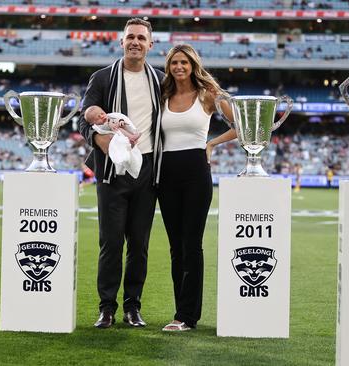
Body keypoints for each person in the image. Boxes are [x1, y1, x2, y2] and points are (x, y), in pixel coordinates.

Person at [78, 18, 164, 329]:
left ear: (150, 44)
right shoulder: (102, 78)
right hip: (112, 171)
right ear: (121, 42)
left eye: (142, 38)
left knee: (139, 244)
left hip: (148, 170)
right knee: (111, 243)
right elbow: (82, 120)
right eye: (130, 37)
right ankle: (106, 308)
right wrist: (97, 138)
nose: (135, 42)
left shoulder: (161, 81)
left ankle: (133, 307)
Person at [158, 44, 237, 332]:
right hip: (165, 173)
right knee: (175, 248)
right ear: (169, 67)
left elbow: (240, 125)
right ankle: (181, 311)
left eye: (184, 62)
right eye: (174, 62)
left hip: (195, 173)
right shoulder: (163, 94)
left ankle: (187, 317)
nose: (179, 67)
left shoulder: (207, 94)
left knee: (191, 245)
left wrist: (212, 143)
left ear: (193, 65)